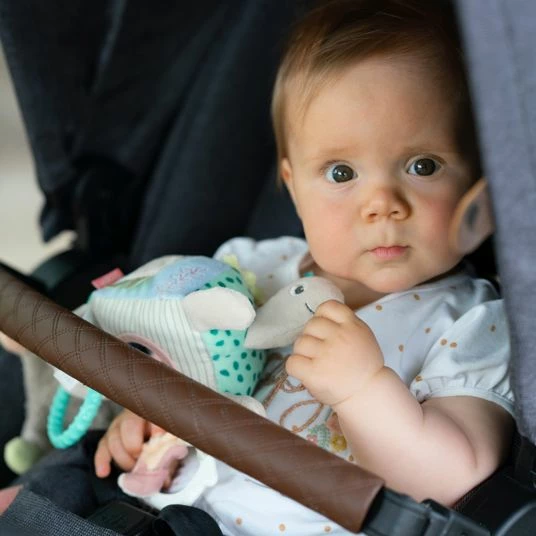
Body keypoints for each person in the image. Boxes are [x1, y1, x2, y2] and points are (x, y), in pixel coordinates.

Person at [0, 0, 515, 534]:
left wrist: (365, 391)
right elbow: (181, 361)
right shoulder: (252, 269)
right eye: (341, 173)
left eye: (422, 165)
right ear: (293, 186)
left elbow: (456, 482)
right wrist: (147, 424)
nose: (382, 204)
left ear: (481, 182)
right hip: (152, 511)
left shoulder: (474, 322)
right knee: (60, 484)